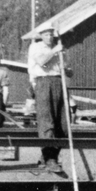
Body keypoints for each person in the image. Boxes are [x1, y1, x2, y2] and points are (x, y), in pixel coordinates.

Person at [27, 25, 68, 171]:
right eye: (46, 35)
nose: (49, 37)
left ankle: (48, 156)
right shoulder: (35, 47)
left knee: (63, 124)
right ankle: (50, 159)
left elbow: (67, 71)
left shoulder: (59, 48)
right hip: (43, 83)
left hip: (58, 82)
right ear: (41, 36)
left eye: (51, 34)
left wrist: (67, 68)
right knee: (47, 122)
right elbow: (42, 61)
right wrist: (55, 51)